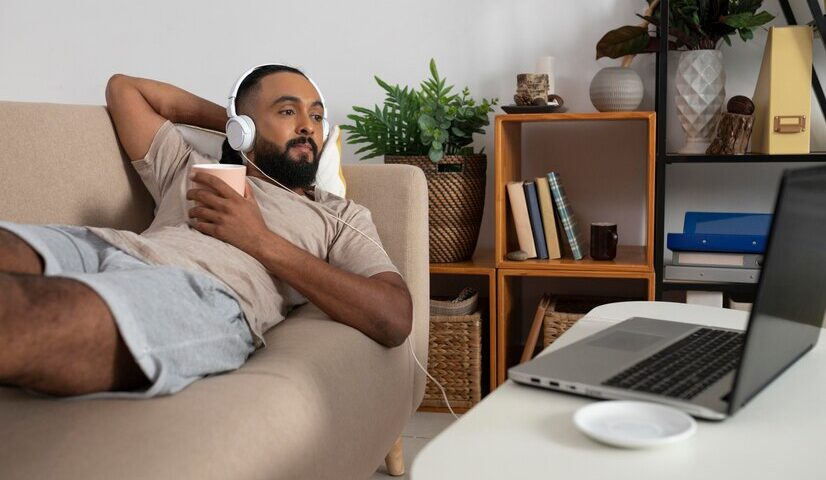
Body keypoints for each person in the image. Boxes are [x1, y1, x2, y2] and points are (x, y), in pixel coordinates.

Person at [0, 65, 413, 399]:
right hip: (113, 247)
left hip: (200, 294)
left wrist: (260, 241)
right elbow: (124, 89)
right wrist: (233, 123)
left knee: (23, 311)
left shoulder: (339, 216)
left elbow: (393, 317)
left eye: (318, 116)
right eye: (288, 111)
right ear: (245, 128)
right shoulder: (188, 165)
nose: (309, 126)